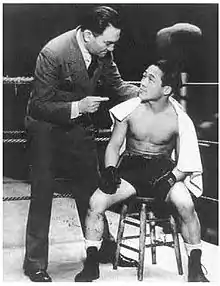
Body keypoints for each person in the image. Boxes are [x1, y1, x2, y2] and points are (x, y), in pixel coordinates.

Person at [23, 5, 139, 282]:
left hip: (78, 129)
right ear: (88, 35)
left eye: (114, 43)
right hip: (46, 130)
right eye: (108, 42)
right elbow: (39, 105)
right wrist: (78, 106)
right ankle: (34, 264)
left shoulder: (103, 53)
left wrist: (150, 93)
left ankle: (104, 250)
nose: (111, 49)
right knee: (42, 195)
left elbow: (118, 87)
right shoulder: (53, 52)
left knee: (93, 191)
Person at [75, 59, 209, 282]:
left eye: (150, 79)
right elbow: (114, 145)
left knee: (186, 205)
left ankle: (195, 266)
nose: (142, 83)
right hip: (131, 169)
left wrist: (172, 179)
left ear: (166, 89)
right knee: (95, 203)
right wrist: (109, 169)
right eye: (144, 75)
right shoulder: (129, 110)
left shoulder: (179, 120)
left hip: (163, 172)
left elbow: (187, 160)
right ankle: (91, 264)